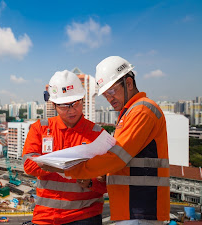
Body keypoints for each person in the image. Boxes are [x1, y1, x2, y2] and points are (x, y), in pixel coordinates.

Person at [43, 56, 170, 224]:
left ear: (129, 83)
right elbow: (125, 160)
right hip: (131, 207)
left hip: (141, 207)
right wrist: (104, 174)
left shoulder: (142, 110)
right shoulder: (129, 113)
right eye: (105, 95)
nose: (110, 99)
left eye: (111, 92)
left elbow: (116, 158)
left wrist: (71, 170)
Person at [22, 70, 107, 225]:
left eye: (76, 104)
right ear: (54, 105)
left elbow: (108, 180)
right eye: (64, 106)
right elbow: (28, 165)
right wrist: (61, 168)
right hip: (46, 216)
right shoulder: (40, 128)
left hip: (85, 216)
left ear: (83, 100)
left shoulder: (98, 135)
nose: (71, 110)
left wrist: (90, 182)